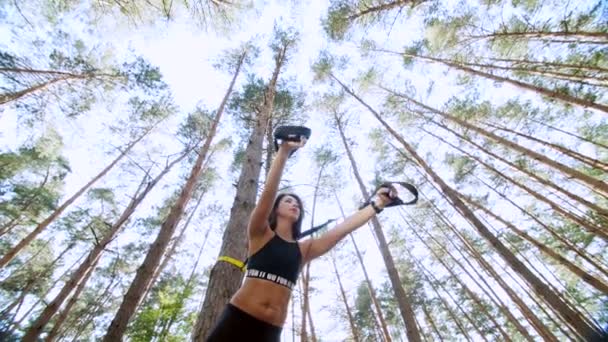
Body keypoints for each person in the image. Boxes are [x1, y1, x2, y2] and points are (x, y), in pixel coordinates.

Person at [206, 135, 396, 341]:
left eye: (297, 203)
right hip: (237, 320)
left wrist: (378, 204)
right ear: (276, 209)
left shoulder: (304, 249)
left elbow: (342, 229)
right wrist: (284, 151)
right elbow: (268, 194)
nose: (295, 204)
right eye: (288, 200)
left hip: (270, 332)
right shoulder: (260, 233)